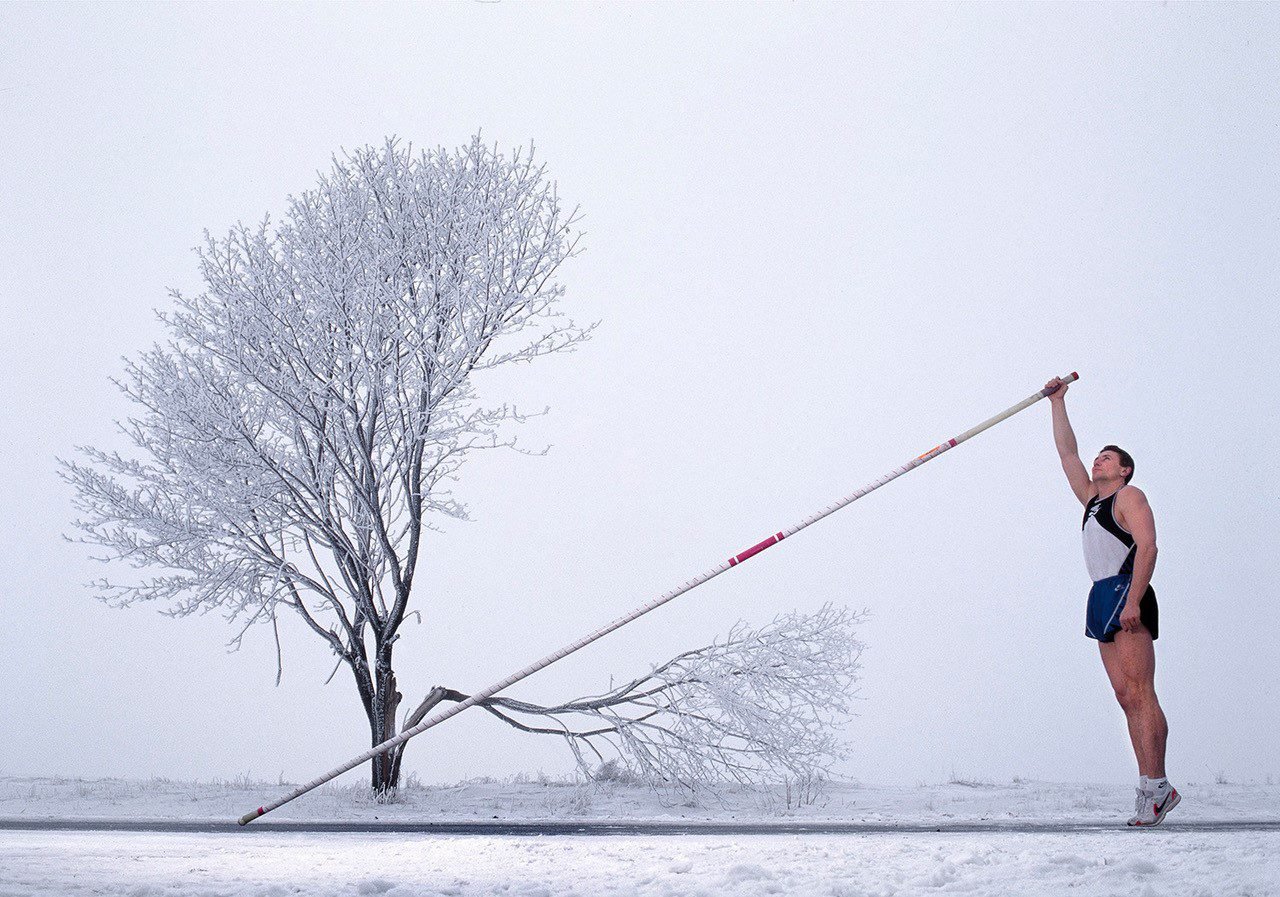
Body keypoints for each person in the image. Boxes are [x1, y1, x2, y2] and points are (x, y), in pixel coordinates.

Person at [1044, 376, 1179, 827]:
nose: (1099, 459)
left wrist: (1135, 599)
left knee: (1141, 692)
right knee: (1124, 696)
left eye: (1109, 457)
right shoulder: (1090, 499)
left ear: (1124, 470)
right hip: (1100, 595)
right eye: (1099, 456)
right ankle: (1151, 786)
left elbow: (1149, 546)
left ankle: (1156, 786)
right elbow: (1067, 455)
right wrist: (1057, 404)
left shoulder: (1129, 496)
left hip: (1127, 589)